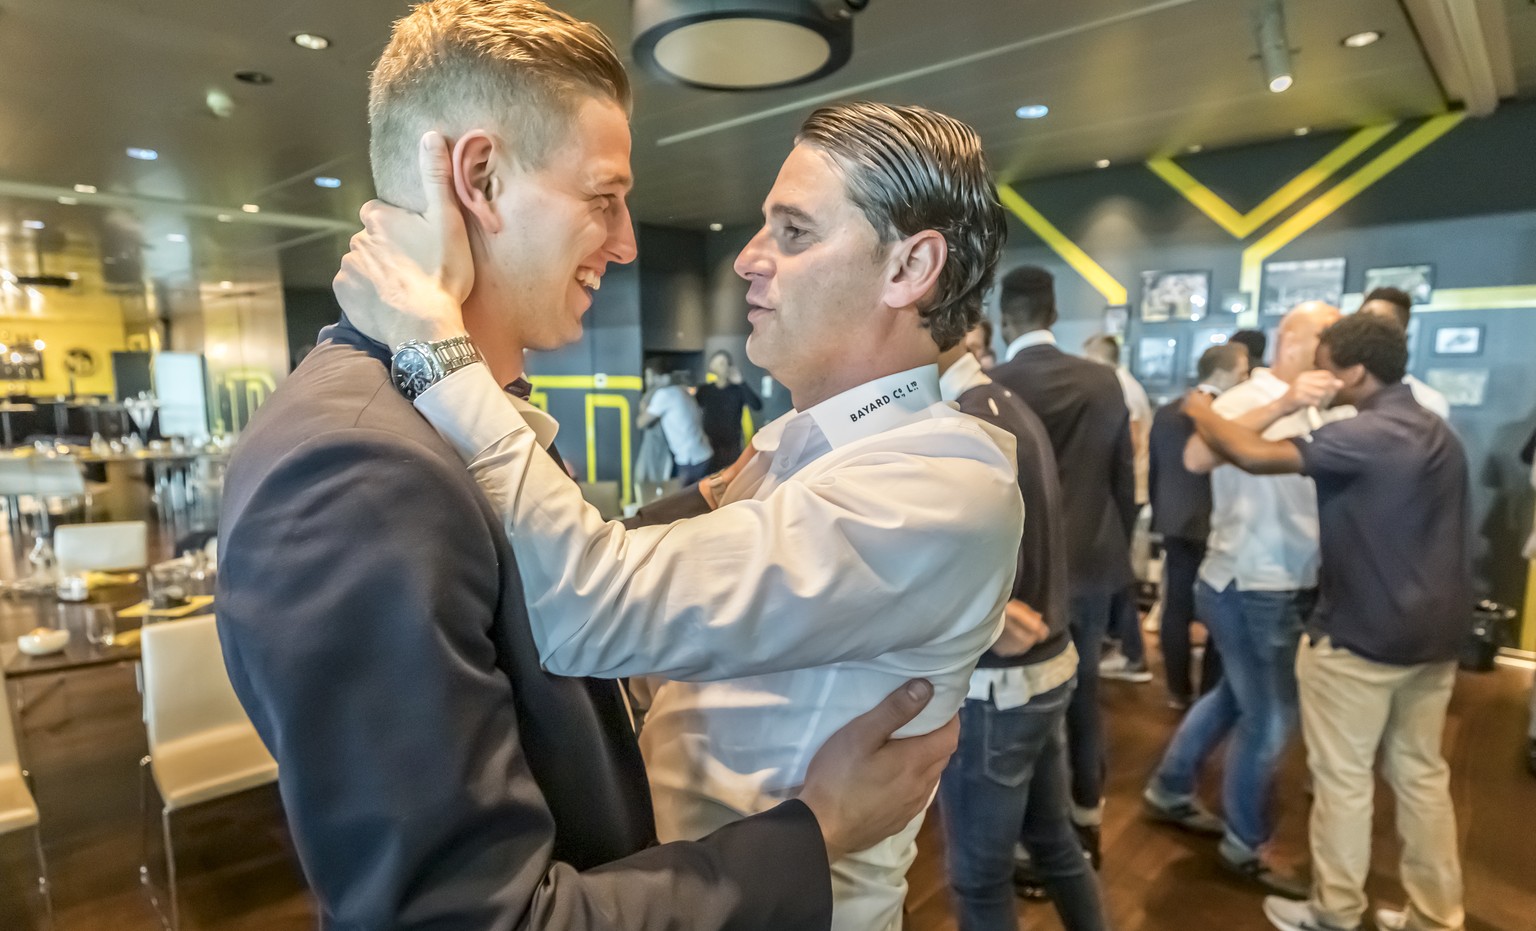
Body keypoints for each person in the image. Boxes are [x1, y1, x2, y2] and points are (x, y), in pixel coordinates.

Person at [217, 4, 963, 928]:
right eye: (602, 198)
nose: (627, 240)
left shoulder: (454, 416)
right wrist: (817, 829)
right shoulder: (357, 467)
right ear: (479, 178)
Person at [338, 99, 1025, 931]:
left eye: (794, 232)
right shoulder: (810, 445)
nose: (747, 259)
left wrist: (435, 348)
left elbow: (594, 606)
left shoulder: (946, 484)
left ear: (910, 268)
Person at [1183, 313, 1472, 931]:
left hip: (1362, 633)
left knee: (1342, 779)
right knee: (1422, 778)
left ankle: (1335, 912)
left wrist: (1200, 405)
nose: (1317, 370)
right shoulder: (1435, 428)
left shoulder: (1366, 433)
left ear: (1355, 372)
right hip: (1434, 636)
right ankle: (1434, 915)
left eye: (1327, 361)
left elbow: (1250, 455)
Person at [1142, 302, 1347, 896]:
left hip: (1282, 580)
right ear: (1291, 340)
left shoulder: (1334, 404)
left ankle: (1171, 788)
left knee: (1235, 696)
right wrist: (1285, 401)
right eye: (1325, 333)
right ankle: (1244, 841)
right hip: (1252, 581)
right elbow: (1197, 457)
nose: (1336, 345)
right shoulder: (1241, 399)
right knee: (1274, 714)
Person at [933, 323, 1108, 931]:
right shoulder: (1000, 403)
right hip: (1044, 671)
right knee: (1054, 842)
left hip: (1000, 687)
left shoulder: (965, 418)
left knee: (979, 878)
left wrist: (988, 607)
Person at [990, 266, 1136, 866]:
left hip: (1023, 576)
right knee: (1085, 697)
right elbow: (1124, 483)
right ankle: (1088, 818)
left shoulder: (992, 386)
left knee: (1027, 703)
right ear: (1053, 316)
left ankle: (1034, 841)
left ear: (1005, 320)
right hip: (1095, 566)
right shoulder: (1105, 382)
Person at [1149, 343, 1249, 709]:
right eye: (1241, 372)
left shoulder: (1166, 411)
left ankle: (1177, 689)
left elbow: (1157, 469)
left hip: (1174, 521)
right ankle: (1210, 691)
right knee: (1219, 608)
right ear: (1224, 373)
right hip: (1215, 521)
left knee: (1175, 603)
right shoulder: (1226, 414)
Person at [1083, 333, 1155, 684]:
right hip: (1127, 489)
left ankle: (1131, 653)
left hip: (1125, 491)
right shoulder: (1126, 385)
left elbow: (1132, 441)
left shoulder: (1118, 387)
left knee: (1117, 572)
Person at [1357, 286, 1450, 418]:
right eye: (1362, 320)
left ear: (1401, 335)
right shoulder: (1334, 393)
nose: (1367, 332)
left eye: (1380, 325)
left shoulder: (1428, 401)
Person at [637, 359, 713, 484]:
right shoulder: (679, 390)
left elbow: (641, 422)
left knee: (686, 500)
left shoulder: (664, 395)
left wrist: (647, 396)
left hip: (691, 458)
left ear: (653, 375)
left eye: (647, 376)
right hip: (702, 453)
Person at [695, 349, 763, 471]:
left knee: (732, 483)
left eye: (723, 363)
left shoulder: (737, 389)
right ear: (711, 366)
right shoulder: (705, 390)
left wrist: (742, 382)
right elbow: (692, 412)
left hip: (732, 446)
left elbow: (757, 406)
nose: (721, 367)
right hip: (709, 445)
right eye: (717, 363)